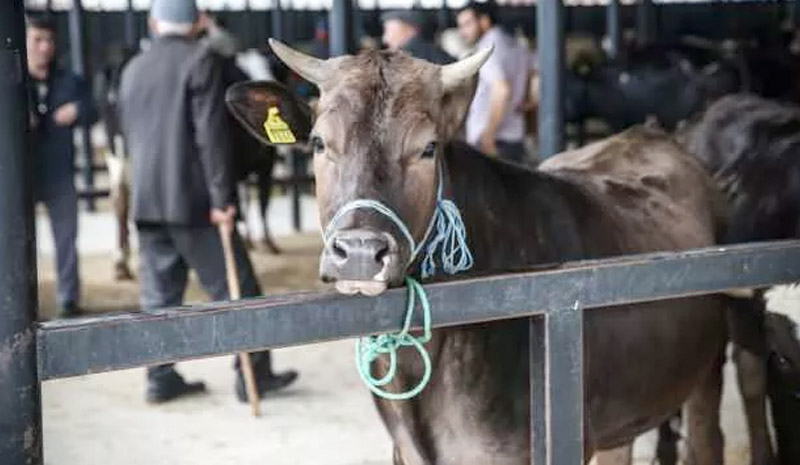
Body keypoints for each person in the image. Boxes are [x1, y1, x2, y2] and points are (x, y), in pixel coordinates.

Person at [118, 0, 298, 404]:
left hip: (147, 203)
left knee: (159, 298)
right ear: (199, 21)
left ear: (152, 22)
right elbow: (210, 136)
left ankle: (159, 377)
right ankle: (253, 375)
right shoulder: (201, 60)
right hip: (197, 204)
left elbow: (131, 137)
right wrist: (223, 198)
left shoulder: (133, 69)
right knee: (240, 291)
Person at [26, 14, 97, 318]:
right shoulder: (11, 85)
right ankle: (21, 302)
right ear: (25, 41)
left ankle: (68, 301)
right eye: (38, 40)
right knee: (19, 242)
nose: (44, 47)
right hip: (21, 178)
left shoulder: (69, 81)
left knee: (66, 239)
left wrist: (77, 110)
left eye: (49, 41)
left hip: (59, 173)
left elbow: (93, 108)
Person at [456, 2, 535, 163]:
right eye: (461, 26)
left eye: (467, 24)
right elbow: (535, 76)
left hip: (492, 141)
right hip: (515, 137)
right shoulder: (516, 44)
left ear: (484, 21)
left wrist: (488, 135)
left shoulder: (487, 48)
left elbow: (502, 89)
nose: (463, 32)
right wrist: (528, 102)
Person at [381, 10, 454, 65]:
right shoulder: (439, 54)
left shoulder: (404, 60)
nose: (385, 39)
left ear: (410, 30)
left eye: (389, 31)